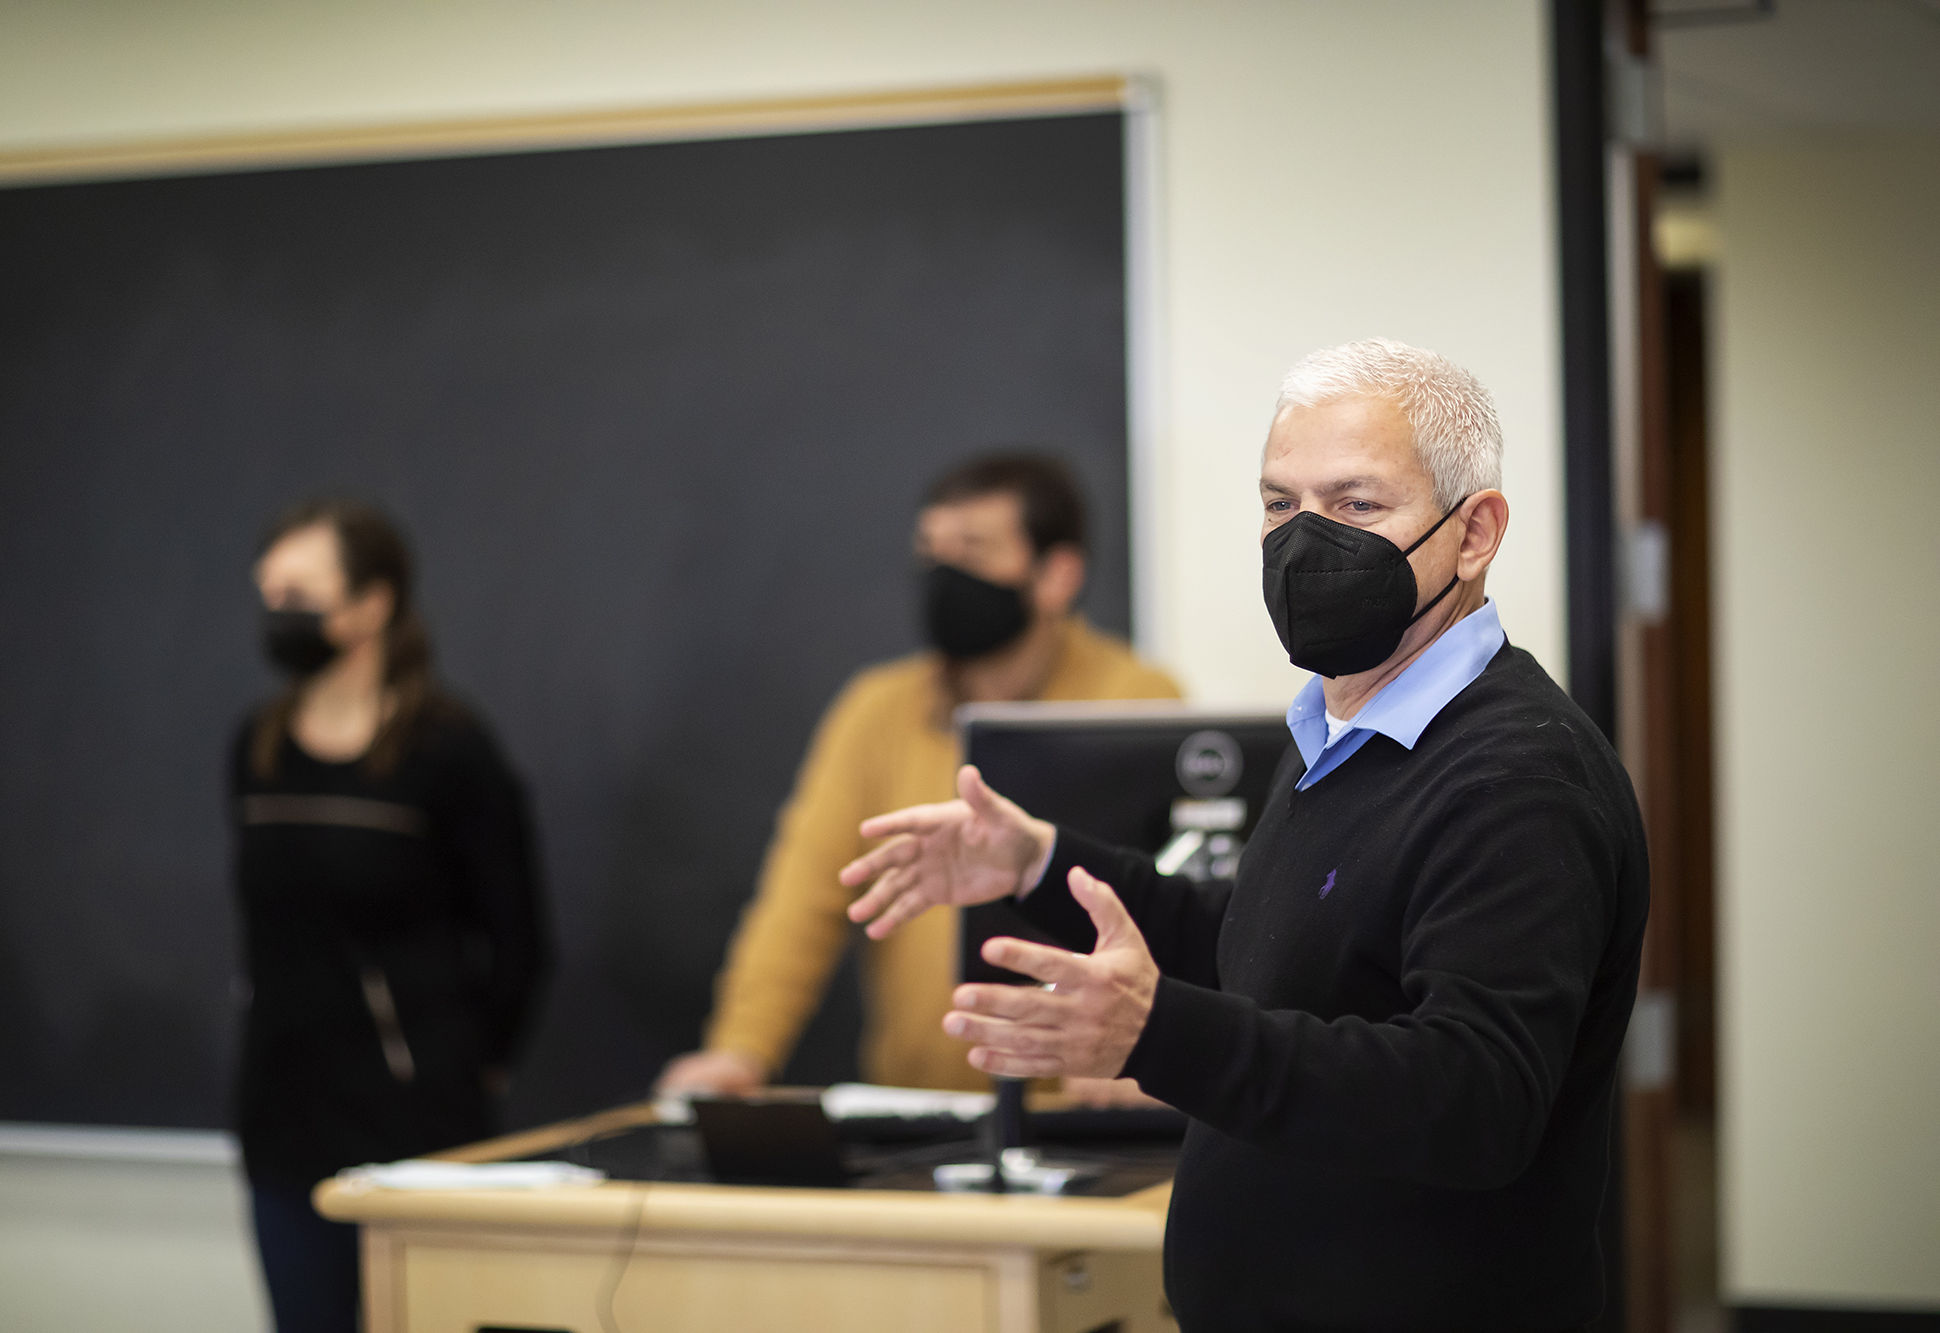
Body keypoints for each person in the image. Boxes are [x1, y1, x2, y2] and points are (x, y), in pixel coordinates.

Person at [840, 341, 1650, 1332]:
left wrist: (1154, 1035)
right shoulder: (1337, 732)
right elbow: (1263, 949)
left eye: (1355, 505)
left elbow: (1470, 1097)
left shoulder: (1516, 772)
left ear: (1472, 533)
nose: (1304, 544)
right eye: (1279, 504)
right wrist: (1041, 863)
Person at [656, 454, 1180, 1098]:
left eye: (974, 550)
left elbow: (1180, 909)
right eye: (931, 551)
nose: (944, 573)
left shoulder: (1139, 704)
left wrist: (1152, 1052)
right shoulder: (876, 712)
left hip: (1087, 1118)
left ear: (1056, 575)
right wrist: (740, 1051)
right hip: (919, 1116)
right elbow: (801, 902)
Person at [232, 499, 550, 1333]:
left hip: (414, 1119)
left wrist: (471, 1062)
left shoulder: (447, 750)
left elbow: (519, 936)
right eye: (269, 594)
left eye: (301, 593)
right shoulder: (257, 748)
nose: (279, 614)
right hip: (281, 1115)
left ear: (372, 604)